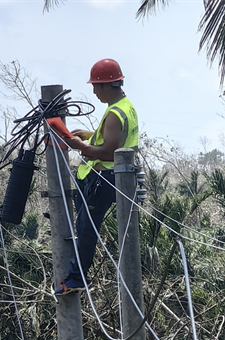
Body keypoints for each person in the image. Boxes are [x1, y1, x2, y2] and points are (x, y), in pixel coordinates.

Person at [54, 58, 139, 294]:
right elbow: (113, 138)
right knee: (85, 226)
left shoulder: (114, 113)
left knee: (87, 228)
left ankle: (77, 277)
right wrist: (89, 135)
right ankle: (77, 274)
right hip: (114, 177)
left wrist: (78, 145)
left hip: (103, 178)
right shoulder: (126, 107)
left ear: (105, 85)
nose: (94, 92)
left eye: (95, 86)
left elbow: (109, 152)